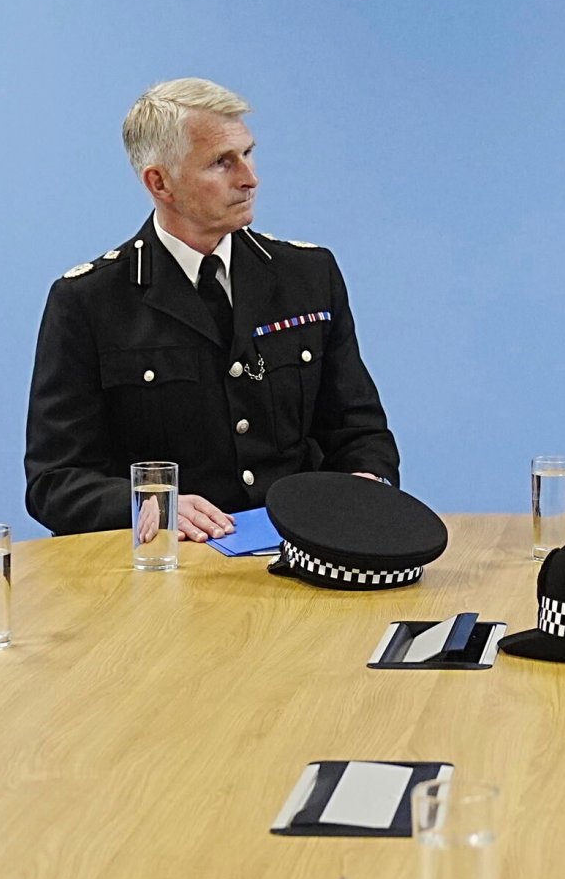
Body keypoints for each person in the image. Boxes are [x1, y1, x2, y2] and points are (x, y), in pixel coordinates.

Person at [26, 77, 398, 540]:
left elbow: (357, 431)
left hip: (302, 551)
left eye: (248, 152)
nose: (249, 177)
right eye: (222, 162)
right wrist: (151, 504)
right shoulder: (89, 301)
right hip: (169, 568)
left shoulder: (308, 275)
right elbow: (55, 481)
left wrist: (368, 486)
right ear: (159, 182)